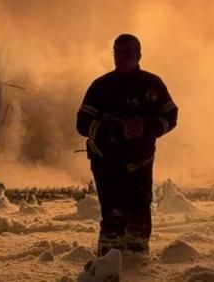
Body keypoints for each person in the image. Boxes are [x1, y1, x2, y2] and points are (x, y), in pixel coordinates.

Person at [76, 34, 179, 257]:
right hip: (106, 162)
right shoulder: (101, 86)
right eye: (117, 53)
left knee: (139, 217)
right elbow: (82, 123)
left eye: (127, 54)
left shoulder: (152, 84)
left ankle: (138, 264)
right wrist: (114, 130)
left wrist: (147, 128)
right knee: (113, 215)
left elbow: (171, 115)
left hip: (140, 162)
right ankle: (108, 266)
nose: (121, 59)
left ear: (139, 56)